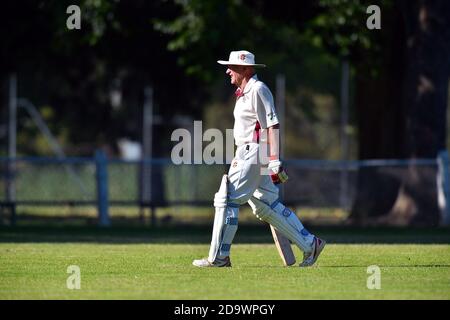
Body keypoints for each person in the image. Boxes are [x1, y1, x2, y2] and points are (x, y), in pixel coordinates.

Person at [193, 50, 325, 268]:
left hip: (253, 151)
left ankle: (219, 257)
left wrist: (274, 159)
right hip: (250, 151)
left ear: (245, 69)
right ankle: (311, 244)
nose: (228, 71)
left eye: (232, 67)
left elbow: (271, 125)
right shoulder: (244, 93)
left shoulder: (258, 89)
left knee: (226, 199)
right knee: (266, 205)